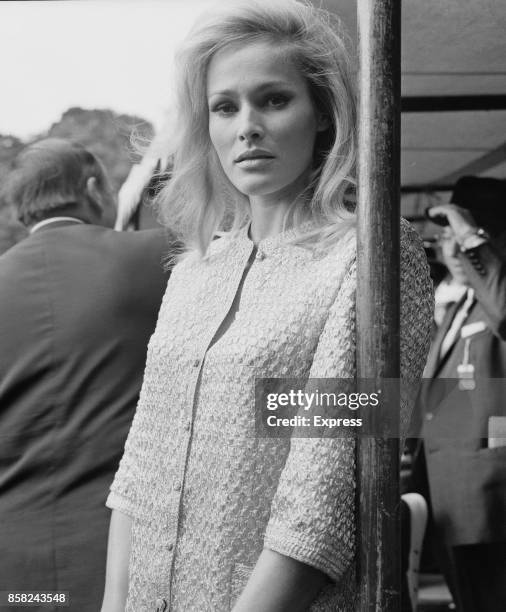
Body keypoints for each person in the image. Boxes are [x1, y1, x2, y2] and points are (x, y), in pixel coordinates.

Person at [101, 2, 433, 611]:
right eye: (225, 107)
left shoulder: (375, 254)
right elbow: (140, 469)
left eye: (274, 100)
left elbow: (325, 495)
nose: (246, 126)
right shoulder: (195, 267)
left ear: (325, 117)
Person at [0, 139, 169, 612]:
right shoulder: (156, 258)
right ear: (94, 189)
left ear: (22, 210)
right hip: (122, 565)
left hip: (14, 578)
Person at [415, 176, 506, 612]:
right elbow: (443, 399)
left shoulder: (495, 301)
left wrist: (473, 239)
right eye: (447, 232)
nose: (446, 244)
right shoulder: (458, 304)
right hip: (452, 496)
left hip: (489, 501)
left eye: (458, 230)